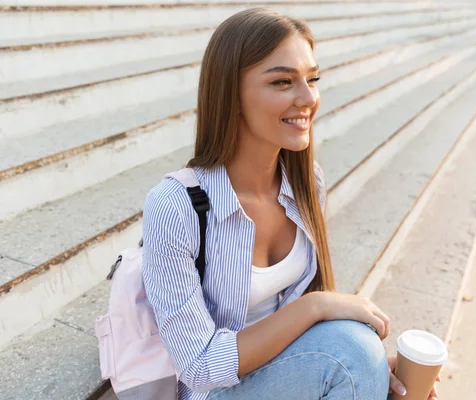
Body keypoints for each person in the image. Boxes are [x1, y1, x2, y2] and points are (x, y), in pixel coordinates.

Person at [141, 8, 440, 400]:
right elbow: (199, 365)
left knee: (361, 356)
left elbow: (309, 342)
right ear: (230, 95)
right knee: (352, 350)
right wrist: (315, 308)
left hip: (277, 373)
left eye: (312, 79)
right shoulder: (176, 206)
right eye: (283, 82)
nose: (308, 98)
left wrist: (367, 375)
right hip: (213, 390)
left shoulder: (305, 182)